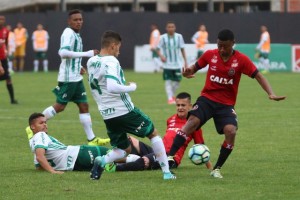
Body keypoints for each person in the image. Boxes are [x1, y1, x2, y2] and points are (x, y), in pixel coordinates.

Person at [167, 29, 286, 179]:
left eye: (225, 46)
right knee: (191, 123)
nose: (222, 49)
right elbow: (194, 67)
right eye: (219, 46)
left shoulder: (241, 60)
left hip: (226, 105)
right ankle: (170, 157)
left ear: (233, 44)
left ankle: (216, 169)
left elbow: (259, 76)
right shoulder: (210, 55)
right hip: (207, 99)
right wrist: (188, 71)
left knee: (231, 131)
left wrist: (270, 93)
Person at [87, 30, 176, 180]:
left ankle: (102, 161)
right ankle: (166, 172)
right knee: (153, 133)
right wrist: (131, 87)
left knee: (124, 149)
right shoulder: (111, 61)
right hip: (123, 110)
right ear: (113, 45)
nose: (119, 52)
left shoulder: (91, 61)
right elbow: (112, 86)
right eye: (119, 48)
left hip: (107, 114)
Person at [25, 9, 110, 146]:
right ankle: (32, 127)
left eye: (80, 19)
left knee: (83, 105)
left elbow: (71, 55)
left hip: (76, 76)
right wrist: (87, 53)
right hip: (68, 78)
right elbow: (63, 52)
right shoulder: (68, 33)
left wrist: (79, 67)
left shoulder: (76, 35)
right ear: (69, 21)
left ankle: (92, 139)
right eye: (75, 20)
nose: (78, 22)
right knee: (60, 106)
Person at [105, 92, 212, 172]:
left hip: (170, 157)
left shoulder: (193, 125)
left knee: (145, 161)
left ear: (190, 106)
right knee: (130, 140)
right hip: (157, 150)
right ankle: (109, 158)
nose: (180, 108)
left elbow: (201, 148)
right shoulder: (170, 119)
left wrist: (209, 167)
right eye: (178, 105)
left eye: (183, 105)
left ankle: (115, 168)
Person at [28, 112, 109, 174]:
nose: (45, 125)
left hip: (75, 165)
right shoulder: (40, 135)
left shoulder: (33, 142)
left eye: (45, 122)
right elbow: (40, 157)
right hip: (80, 154)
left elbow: (39, 166)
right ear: (32, 126)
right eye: (41, 123)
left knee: (110, 163)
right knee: (116, 154)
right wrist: (53, 171)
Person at [156, 21, 188, 105]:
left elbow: (182, 49)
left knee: (177, 82)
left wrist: (185, 61)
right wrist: (161, 56)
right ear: (166, 28)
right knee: (168, 82)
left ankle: (172, 95)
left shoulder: (179, 37)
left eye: (172, 27)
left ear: (175, 28)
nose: (171, 28)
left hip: (177, 64)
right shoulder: (163, 37)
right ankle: (170, 98)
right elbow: (157, 49)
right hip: (167, 65)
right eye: (169, 27)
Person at [0, 16, 18, 104]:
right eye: (0, 19)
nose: (1, 21)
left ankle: (12, 99)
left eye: (3, 19)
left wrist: (6, 50)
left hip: (3, 58)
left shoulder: (5, 31)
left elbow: (5, 42)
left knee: (8, 78)